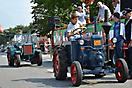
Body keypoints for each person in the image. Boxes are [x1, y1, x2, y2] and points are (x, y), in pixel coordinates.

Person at [123, 8, 132, 79]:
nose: (125, 16)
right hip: (127, 41)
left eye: (126, 14)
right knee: (128, 57)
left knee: (131, 58)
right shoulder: (126, 21)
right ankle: (129, 72)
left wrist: (131, 41)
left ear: (130, 13)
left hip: (131, 42)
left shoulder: (131, 21)